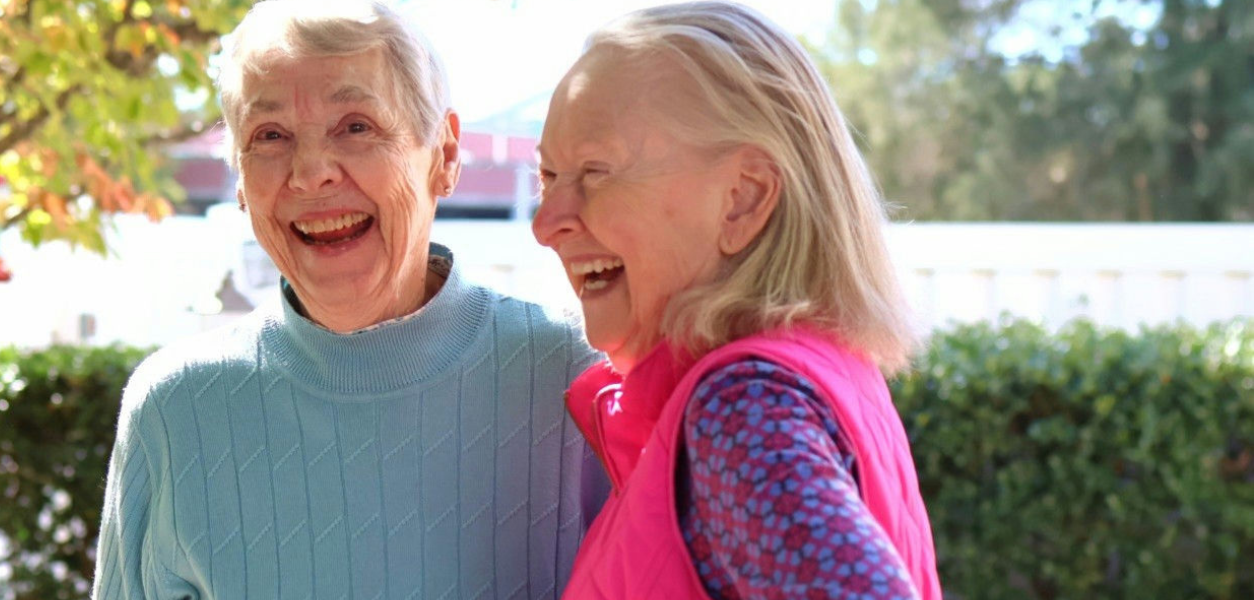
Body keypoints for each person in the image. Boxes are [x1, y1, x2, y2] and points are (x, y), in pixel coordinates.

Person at [92, 2, 605, 598]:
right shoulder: (175, 412)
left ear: (443, 154)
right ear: (238, 179)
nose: (310, 174)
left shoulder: (578, 378)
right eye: (270, 136)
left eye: (355, 126)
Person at [531, 2, 942, 599]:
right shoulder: (798, 376)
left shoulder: (745, 408)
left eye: (596, 171)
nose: (547, 223)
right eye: (547, 178)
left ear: (743, 200)